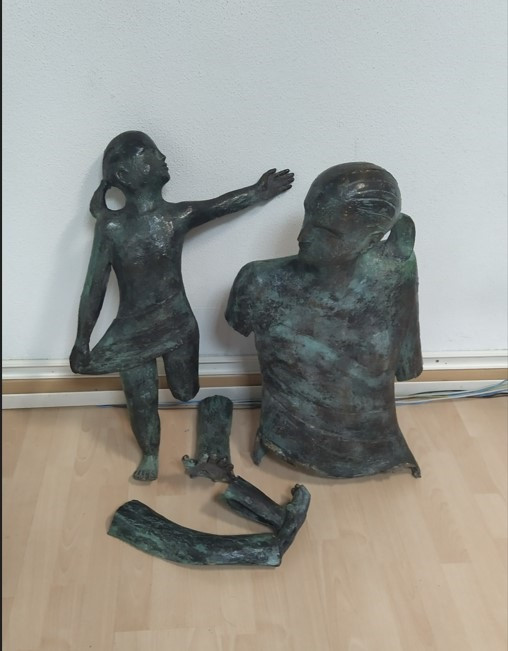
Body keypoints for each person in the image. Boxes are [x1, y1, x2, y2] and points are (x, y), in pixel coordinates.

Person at [70, 130, 294, 480]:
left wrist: (258, 192)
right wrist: (82, 340)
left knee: (186, 391)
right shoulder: (111, 229)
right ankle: (150, 453)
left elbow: (218, 206)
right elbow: (93, 289)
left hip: (176, 323)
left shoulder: (175, 216)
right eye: (150, 155)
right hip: (132, 330)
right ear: (125, 175)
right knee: (141, 397)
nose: (162, 158)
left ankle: (187, 413)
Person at [226, 162, 422, 478]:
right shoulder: (259, 281)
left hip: (376, 444)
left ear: (371, 240)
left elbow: (406, 363)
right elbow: (407, 366)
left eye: (327, 231)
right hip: (285, 436)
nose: (303, 235)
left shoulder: (396, 274)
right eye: (308, 215)